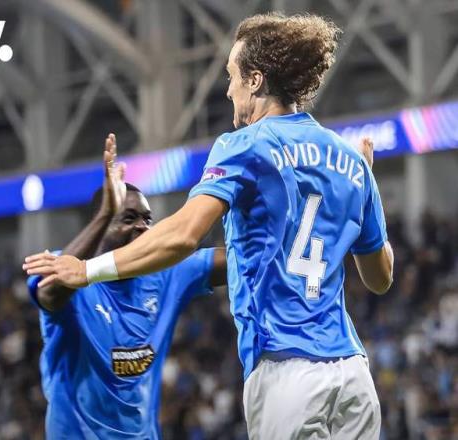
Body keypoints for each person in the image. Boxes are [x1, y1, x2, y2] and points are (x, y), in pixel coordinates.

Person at [24, 13, 394, 440]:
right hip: (353, 375)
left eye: (232, 76)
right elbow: (380, 278)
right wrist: (364, 184)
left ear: (255, 80)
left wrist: (88, 269)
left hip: (286, 368)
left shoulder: (246, 144)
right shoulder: (350, 161)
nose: (228, 89)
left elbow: (184, 234)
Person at [26, 134, 226, 439]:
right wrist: (106, 213)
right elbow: (50, 293)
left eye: (148, 219)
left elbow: (236, 260)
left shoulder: (166, 272)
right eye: (128, 218)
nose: (142, 227)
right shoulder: (69, 270)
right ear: (98, 228)